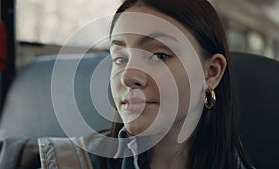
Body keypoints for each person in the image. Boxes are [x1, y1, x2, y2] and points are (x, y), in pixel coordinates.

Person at [38, 0, 255, 168]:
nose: (127, 77)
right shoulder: (69, 162)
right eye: (120, 59)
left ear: (211, 72)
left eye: (160, 55)